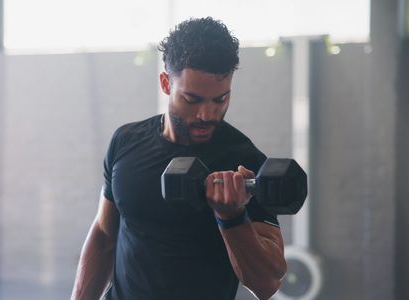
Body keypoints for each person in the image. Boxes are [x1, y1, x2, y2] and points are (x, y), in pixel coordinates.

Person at [71, 17, 287, 300]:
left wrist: (232, 217)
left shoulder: (243, 162)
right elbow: (103, 235)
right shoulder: (125, 142)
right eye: (192, 99)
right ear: (165, 83)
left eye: (220, 100)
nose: (207, 114)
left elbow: (267, 284)